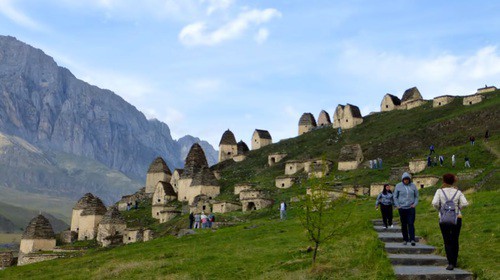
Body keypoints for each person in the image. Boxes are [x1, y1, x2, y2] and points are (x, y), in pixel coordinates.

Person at [431, 173, 469, 270]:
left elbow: (434, 203)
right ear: (453, 181)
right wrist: (458, 209)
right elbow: (465, 203)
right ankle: (454, 261)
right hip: (457, 218)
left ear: (444, 181)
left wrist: (440, 210)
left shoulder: (439, 191)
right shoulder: (458, 192)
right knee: (455, 239)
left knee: (447, 240)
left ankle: (450, 263)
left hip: (443, 218)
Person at [394, 172, 419, 246]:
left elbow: (416, 196)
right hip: (402, 208)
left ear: (409, 179)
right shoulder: (398, 186)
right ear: (402, 180)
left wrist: (414, 204)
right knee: (404, 224)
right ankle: (405, 239)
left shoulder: (413, 186)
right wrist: (398, 205)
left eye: (407, 179)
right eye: (404, 179)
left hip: (411, 208)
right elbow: (395, 196)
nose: (406, 181)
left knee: (411, 223)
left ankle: (412, 239)